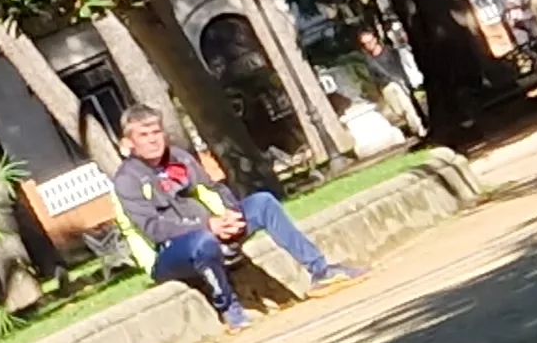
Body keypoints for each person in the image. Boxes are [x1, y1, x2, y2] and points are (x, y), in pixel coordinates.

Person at [112, 106, 365, 329]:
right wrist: (208, 226)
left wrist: (231, 214)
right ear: (129, 143)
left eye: (156, 132)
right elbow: (154, 228)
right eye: (144, 135)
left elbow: (215, 188)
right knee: (203, 241)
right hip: (169, 253)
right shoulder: (127, 180)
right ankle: (231, 310)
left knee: (263, 202)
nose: (153, 140)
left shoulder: (180, 158)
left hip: (215, 227)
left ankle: (321, 271)